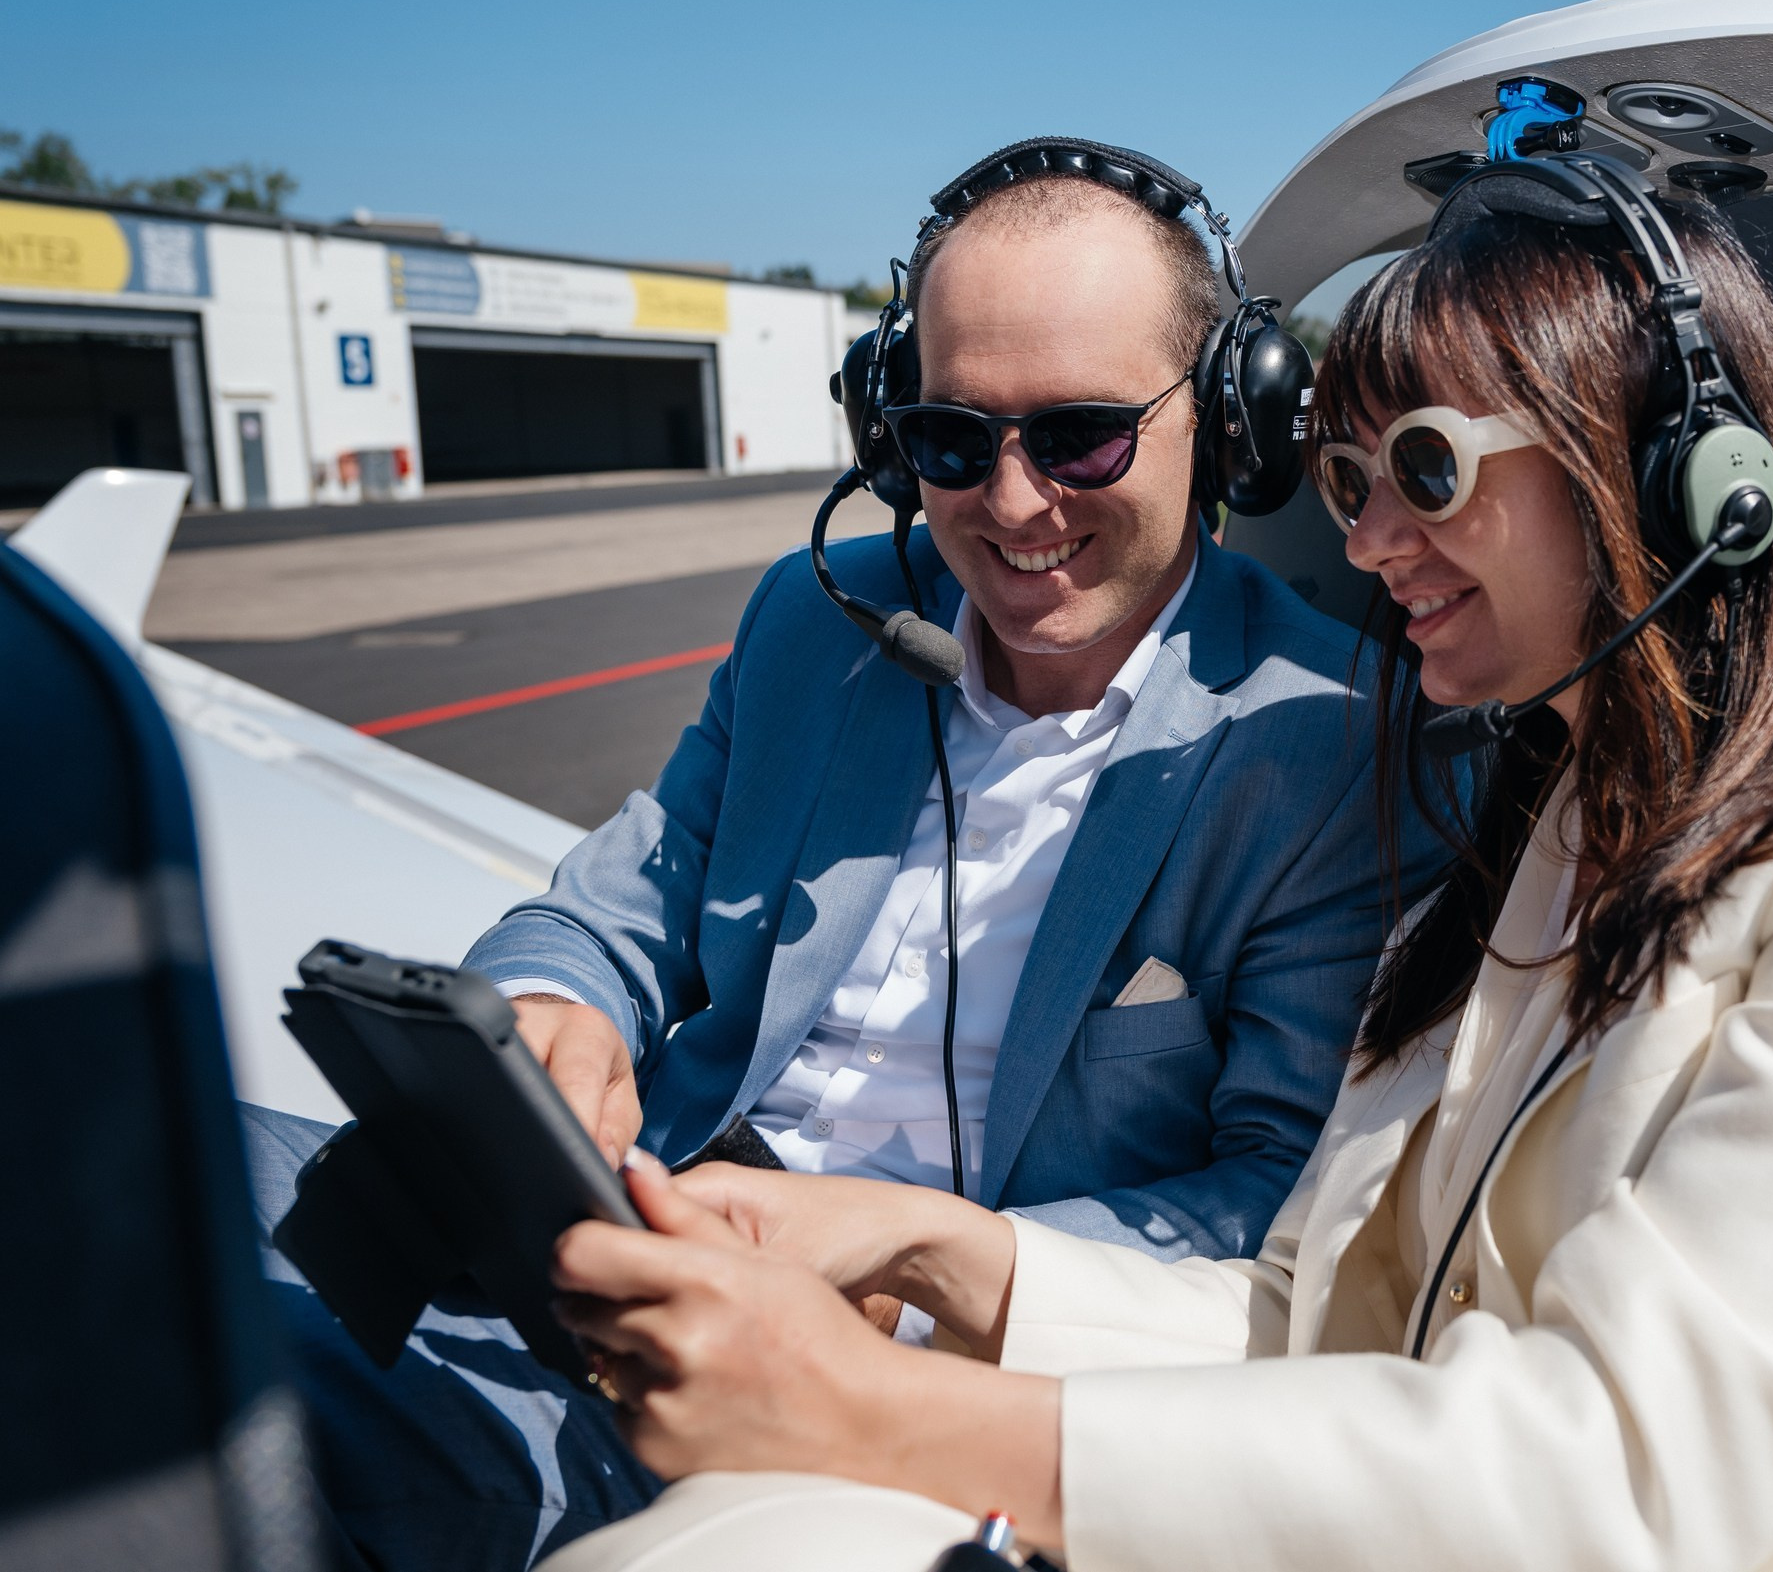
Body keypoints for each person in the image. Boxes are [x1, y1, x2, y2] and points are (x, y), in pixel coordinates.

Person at [534, 156, 1773, 1572]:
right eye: (1346, 478)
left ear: (1683, 475)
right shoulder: (1541, 848)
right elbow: (1320, 1326)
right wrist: (911, 1246)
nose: (1365, 542)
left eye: (1426, 471)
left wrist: (873, 1411)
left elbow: (1616, 1477)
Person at [240, 138, 1438, 1571]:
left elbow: (1272, 1203)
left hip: (859, 1382)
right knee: (123, 1148)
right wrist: (554, 1011)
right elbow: (620, 903)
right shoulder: (821, 621)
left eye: (1080, 437)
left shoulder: (1332, 741)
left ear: (1233, 422)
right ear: (888, 435)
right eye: (948, 438)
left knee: (239, 1407)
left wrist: (889, 1259)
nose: (1009, 503)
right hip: (636, 1219)